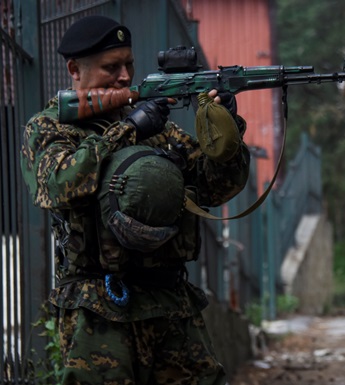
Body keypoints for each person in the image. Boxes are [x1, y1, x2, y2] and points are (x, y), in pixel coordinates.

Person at [20, 15, 250, 384]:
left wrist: (226, 131)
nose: (125, 76)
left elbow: (214, 189)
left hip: (170, 303)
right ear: (74, 69)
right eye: (112, 67)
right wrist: (130, 130)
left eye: (129, 64)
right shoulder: (50, 128)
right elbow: (57, 183)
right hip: (98, 308)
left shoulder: (158, 127)